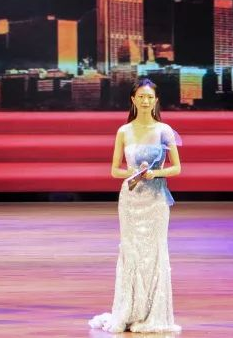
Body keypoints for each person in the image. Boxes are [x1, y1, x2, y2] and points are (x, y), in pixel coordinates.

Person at [89, 78, 182, 334]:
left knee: (155, 252)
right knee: (131, 252)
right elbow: (114, 170)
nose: (145, 101)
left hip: (156, 200)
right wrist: (132, 172)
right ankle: (129, 311)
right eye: (141, 96)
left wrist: (156, 174)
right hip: (131, 200)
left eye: (150, 97)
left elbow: (177, 167)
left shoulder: (164, 130)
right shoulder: (124, 131)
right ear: (133, 99)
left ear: (156, 100)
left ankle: (152, 313)